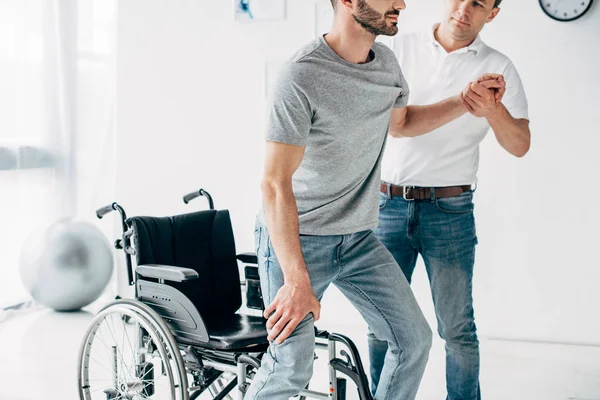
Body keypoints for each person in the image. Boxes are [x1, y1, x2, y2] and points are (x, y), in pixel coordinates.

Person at [245, 0, 504, 398]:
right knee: (291, 365)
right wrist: (297, 281)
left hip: (359, 239)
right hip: (300, 240)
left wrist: (465, 101)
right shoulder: (301, 75)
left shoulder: (385, 64)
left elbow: (401, 124)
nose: (401, 3)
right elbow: (274, 183)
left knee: (413, 341)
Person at [368, 1, 531, 399]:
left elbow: (520, 145)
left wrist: (492, 110)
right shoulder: (396, 48)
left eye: (478, 3)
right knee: (381, 324)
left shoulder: (499, 67)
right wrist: (463, 101)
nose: (464, 9)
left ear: (491, 14)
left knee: (457, 328)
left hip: (450, 213)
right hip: (385, 205)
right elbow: (397, 126)